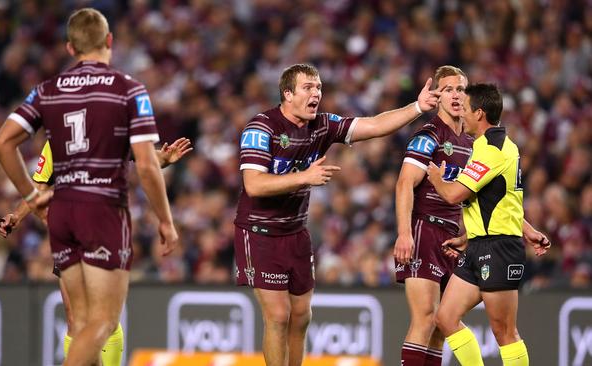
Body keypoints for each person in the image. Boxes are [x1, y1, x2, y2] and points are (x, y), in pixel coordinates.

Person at [0, 8, 179, 366]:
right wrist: (166, 220)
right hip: (103, 210)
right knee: (103, 321)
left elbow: (2, 143)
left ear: (69, 48)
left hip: (61, 213)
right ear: (109, 41)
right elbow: (145, 163)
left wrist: (31, 197)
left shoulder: (46, 91)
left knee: (79, 322)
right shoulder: (128, 89)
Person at [234, 63, 441, 366]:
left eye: (318, 87)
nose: (316, 92)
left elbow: (372, 125)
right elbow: (253, 185)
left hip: (296, 231)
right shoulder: (262, 127)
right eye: (308, 87)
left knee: (302, 317)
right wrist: (305, 177)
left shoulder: (322, 125)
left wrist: (417, 108)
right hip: (259, 232)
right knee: (279, 315)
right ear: (287, 94)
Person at [0, 137, 191, 365]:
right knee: (74, 319)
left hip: (104, 231)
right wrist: (16, 217)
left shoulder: (109, 131)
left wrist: (164, 158)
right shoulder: (55, 141)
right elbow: (39, 186)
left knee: (104, 317)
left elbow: (146, 159)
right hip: (68, 234)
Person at [426, 83, 551, 366]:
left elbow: (454, 195)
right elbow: (501, 199)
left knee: (504, 332)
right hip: (478, 246)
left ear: (479, 113)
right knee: (445, 318)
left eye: (466, 110)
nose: (462, 115)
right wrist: (528, 230)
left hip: (499, 248)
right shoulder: (490, 146)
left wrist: (436, 178)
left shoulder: (492, 150)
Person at [392, 65, 472, 366]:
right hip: (425, 230)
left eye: (461, 89)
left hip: (453, 238)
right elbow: (404, 183)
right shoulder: (428, 136)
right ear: (437, 96)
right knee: (425, 317)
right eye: (449, 89)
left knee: (442, 324)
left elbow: (469, 198)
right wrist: (404, 233)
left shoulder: (472, 143)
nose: (456, 95)